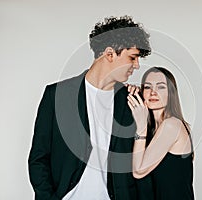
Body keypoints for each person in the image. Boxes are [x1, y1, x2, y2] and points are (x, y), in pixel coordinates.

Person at [28, 16, 152, 200]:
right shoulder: (57, 95)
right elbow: (39, 159)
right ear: (110, 54)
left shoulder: (132, 100)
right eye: (132, 57)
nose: (137, 65)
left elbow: (143, 163)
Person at [127, 67, 195, 200]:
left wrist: (141, 128)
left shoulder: (171, 125)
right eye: (147, 87)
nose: (153, 92)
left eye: (161, 87)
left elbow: (139, 171)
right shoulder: (154, 129)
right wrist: (130, 91)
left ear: (171, 93)